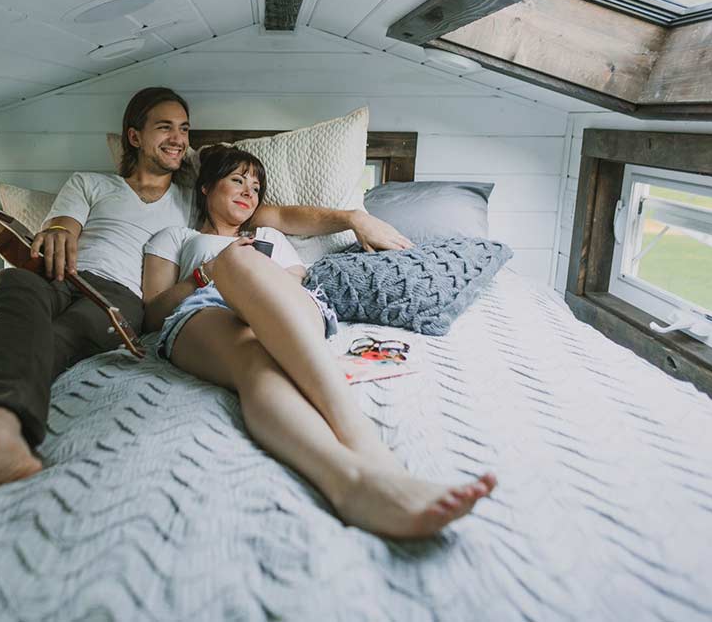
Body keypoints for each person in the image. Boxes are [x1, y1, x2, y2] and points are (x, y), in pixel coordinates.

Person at [0, 87, 413, 505]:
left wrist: (354, 217)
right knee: (9, 291)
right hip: (52, 277)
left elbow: (276, 213)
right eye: (165, 127)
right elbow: (62, 227)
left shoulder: (193, 199)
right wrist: (57, 232)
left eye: (185, 129)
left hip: (117, 304)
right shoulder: (88, 182)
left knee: (35, 349)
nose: (178, 137)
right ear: (133, 136)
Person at [142, 145, 495, 538]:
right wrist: (208, 272)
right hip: (205, 311)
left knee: (243, 266)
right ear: (206, 188)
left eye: (256, 186)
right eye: (237, 180)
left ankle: (371, 464)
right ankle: (351, 481)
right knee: (253, 360)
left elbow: (296, 280)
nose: (249, 191)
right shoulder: (175, 235)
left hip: (277, 304)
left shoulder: (268, 234)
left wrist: (252, 283)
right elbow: (154, 313)